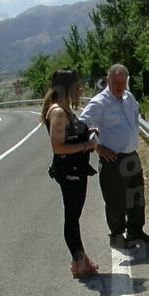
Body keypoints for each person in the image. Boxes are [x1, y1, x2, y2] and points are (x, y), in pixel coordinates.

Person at [80, 64, 149, 249]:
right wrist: (98, 148)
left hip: (131, 155)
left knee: (136, 196)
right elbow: (82, 125)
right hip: (113, 159)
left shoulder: (128, 97)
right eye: (116, 82)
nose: (120, 86)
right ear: (108, 81)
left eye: (123, 82)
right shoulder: (100, 102)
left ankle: (136, 230)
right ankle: (117, 236)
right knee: (116, 200)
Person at [42, 69, 100, 278]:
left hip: (75, 170)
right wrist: (87, 145)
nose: (80, 89)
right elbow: (58, 147)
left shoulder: (64, 109)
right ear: (69, 88)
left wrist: (87, 132)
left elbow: (69, 136)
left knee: (74, 216)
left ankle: (81, 258)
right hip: (69, 171)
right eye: (77, 86)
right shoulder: (58, 112)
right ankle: (79, 263)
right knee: (72, 217)